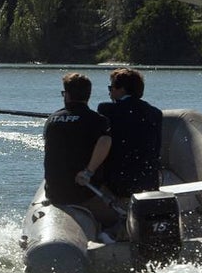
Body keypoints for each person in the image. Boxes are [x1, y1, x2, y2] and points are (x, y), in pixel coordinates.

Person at [42, 72, 117, 227]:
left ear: (67, 95)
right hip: (84, 193)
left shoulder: (52, 120)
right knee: (119, 211)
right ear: (88, 95)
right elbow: (105, 140)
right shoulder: (98, 120)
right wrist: (89, 172)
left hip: (55, 192)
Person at [96, 68, 163, 198]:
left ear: (122, 90)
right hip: (148, 181)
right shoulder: (155, 113)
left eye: (111, 88)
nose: (109, 92)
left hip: (118, 181)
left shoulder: (106, 109)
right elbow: (156, 148)